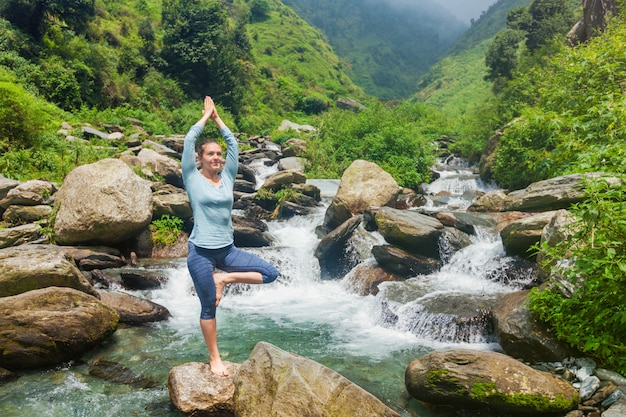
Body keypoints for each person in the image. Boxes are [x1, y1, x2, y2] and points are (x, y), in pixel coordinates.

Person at [182, 96, 279, 376]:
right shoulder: (192, 177)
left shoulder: (227, 178)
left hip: (227, 251)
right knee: (208, 305)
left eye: (218, 154)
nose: (216, 157)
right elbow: (189, 140)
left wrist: (218, 119)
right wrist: (204, 118)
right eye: (210, 154)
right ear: (200, 159)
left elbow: (233, 145)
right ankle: (215, 358)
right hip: (200, 251)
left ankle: (223, 278)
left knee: (270, 273)